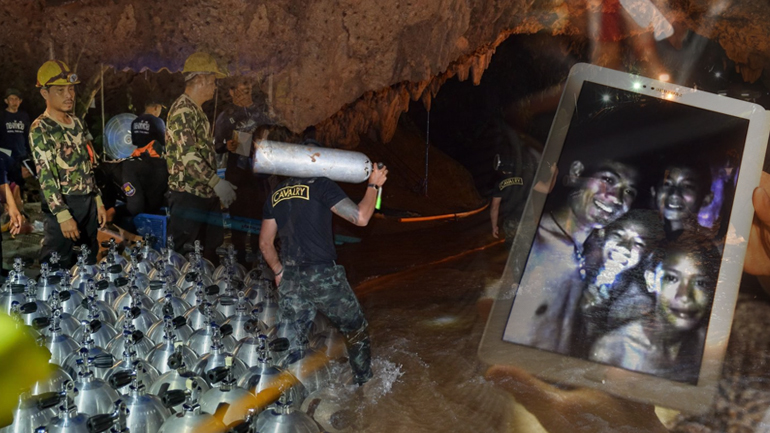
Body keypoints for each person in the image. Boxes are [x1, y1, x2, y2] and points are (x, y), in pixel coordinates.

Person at [258, 162, 388, 386]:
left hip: (291, 276)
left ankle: (287, 396)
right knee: (354, 327)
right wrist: (373, 186)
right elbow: (361, 217)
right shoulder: (320, 185)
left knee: (289, 340)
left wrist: (278, 271)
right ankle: (364, 384)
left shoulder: (276, 193)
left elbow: (265, 243)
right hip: (322, 275)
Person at [505, 159, 640, 353]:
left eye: (629, 192)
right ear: (576, 172)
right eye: (608, 179)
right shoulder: (532, 243)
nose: (617, 197)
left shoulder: (589, 255)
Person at [589, 233, 719, 384]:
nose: (685, 296)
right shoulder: (614, 349)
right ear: (650, 280)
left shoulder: (712, 348)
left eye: (700, 283)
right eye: (671, 278)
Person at [29, 60, 106, 267]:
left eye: (71, 89)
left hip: (87, 203)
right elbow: (46, 175)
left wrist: (97, 200)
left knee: (88, 260)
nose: (69, 95)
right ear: (45, 93)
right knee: (57, 262)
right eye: (60, 90)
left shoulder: (78, 123)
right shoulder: (41, 128)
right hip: (63, 203)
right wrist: (62, 215)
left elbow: (88, 165)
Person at [165, 52, 235, 263]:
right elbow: (189, 157)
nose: (215, 87)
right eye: (213, 82)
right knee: (182, 262)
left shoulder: (195, 111)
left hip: (203, 196)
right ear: (200, 79)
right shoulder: (183, 111)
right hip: (188, 197)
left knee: (208, 256)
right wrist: (217, 183)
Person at [572, 209, 665, 356]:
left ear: (647, 253)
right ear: (603, 234)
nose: (623, 247)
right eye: (618, 235)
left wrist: (592, 317)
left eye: (638, 244)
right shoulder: (575, 269)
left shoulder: (639, 304)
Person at [214, 77, 273, 265]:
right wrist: (227, 145)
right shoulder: (226, 116)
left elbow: (279, 134)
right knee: (238, 223)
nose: (246, 86)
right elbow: (216, 145)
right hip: (237, 178)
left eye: (248, 85)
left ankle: (261, 260)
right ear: (231, 91)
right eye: (242, 84)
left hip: (261, 178)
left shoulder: (263, 112)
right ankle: (239, 264)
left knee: (260, 221)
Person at [489, 121, 541, 244]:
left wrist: (494, 226)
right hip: (526, 219)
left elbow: (494, 207)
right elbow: (541, 193)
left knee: (512, 248)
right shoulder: (527, 176)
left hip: (511, 221)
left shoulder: (499, 182)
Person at [121, 99, 168, 216]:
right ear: (156, 107)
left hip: (136, 161)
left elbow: (134, 141)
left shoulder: (135, 121)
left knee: (136, 197)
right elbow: (164, 141)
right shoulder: (158, 122)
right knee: (154, 199)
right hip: (155, 165)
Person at [650, 158, 713, 241]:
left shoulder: (706, 247)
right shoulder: (642, 237)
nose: (674, 194)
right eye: (667, 184)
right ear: (654, 191)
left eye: (687, 186)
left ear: (706, 199)